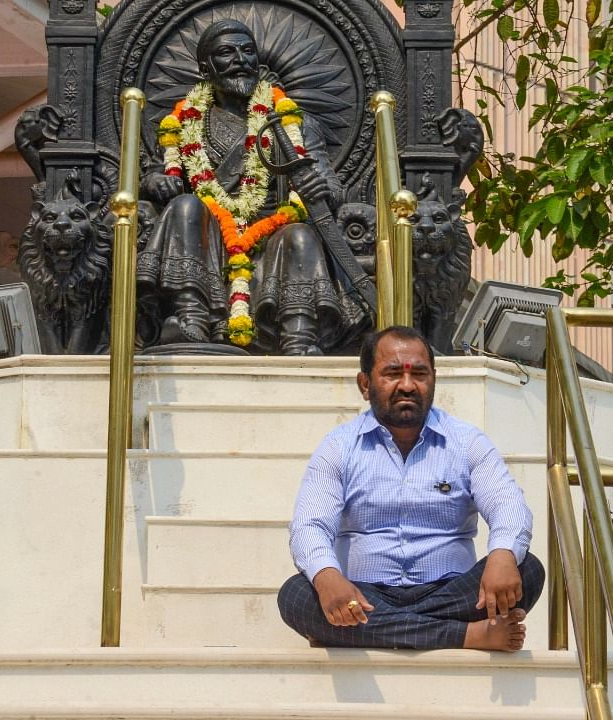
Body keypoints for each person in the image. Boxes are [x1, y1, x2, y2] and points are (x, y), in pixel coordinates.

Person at [278, 326, 544, 651]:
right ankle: (464, 635)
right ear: (365, 385)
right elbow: (310, 525)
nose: (407, 385)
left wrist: (502, 555)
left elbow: (508, 505)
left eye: (419, 374)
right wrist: (328, 578)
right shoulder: (339, 447)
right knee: (296, 595)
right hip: (364, 595)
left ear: (434, 380)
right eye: (392, 374)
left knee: (526, 568)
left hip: (452, 593)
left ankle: (358, 632)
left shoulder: (466, 442)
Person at [137, 19, 365, 354]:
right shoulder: (183, 125)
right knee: (185, 206)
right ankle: (193, 319)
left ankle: (297, 340)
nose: (240, 60)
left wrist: (322, 188)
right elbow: (159, 172)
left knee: (299, 235)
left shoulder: (291, 122)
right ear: (205, 69)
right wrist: (157, 181)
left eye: (247, 52)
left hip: (273, 235)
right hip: (207, 237)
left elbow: (330, 184)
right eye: (227, 53)